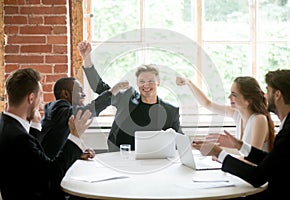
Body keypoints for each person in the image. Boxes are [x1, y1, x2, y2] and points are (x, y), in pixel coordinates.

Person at [192, 69, 290, 199]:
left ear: (277, 95)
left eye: (268, 91)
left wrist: (218, 153)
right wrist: (240, 146)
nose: (264, 95)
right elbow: (270, 160)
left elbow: (258, 177)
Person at [0, 68, 93, 200]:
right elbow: (51, 178)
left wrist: (36, 128)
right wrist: (75, 137)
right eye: (41, 95)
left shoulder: (6, 125)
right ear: (31, 98)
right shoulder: (19, 138)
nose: (42, 103)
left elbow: (34, 161)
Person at [78, 41, 183, 152]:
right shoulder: (126, 98)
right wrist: (87, 59)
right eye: (142, 81)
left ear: (158, 83)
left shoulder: (171, 111)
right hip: (121, 156)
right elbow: (99, 87)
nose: (146, 85)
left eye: (150, 81)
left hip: (154, 161)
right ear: (137, 83)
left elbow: (179, 141)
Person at [41, 64, 129, 159]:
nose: (84, 95)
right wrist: (113, 91)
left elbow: (56, 145)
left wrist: (77, 153)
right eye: (79, 90)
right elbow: (87, 111)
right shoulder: (58, 107)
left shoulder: (60, 112)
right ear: (65, 94)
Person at [176, 76, 275, 153]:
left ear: (247, 101)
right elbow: (207, 104)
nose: (229, 97)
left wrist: (219, 154)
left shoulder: (259, 119)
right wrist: (189, 82)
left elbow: (252, 158)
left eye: (234, 95)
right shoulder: (237, 114)